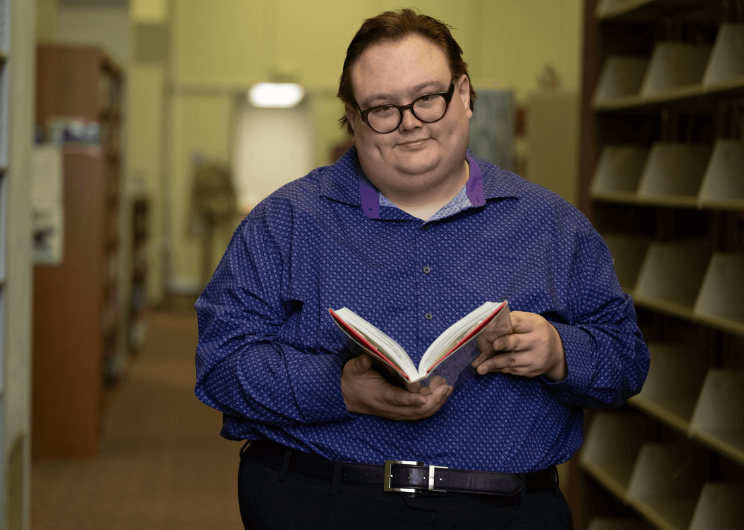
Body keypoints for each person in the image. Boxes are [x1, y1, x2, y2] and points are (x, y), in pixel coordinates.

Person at [195, 8, 649, 530]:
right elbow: (220, 366)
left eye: (427, 98)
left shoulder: (554, 227)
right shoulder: (284, 222)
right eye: (382, 108)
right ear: (352, 115)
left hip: (501, 512)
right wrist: (338, 388)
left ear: (463, 93)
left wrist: (558, 351)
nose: (409, 120)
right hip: (322, 501)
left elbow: (627, 361)